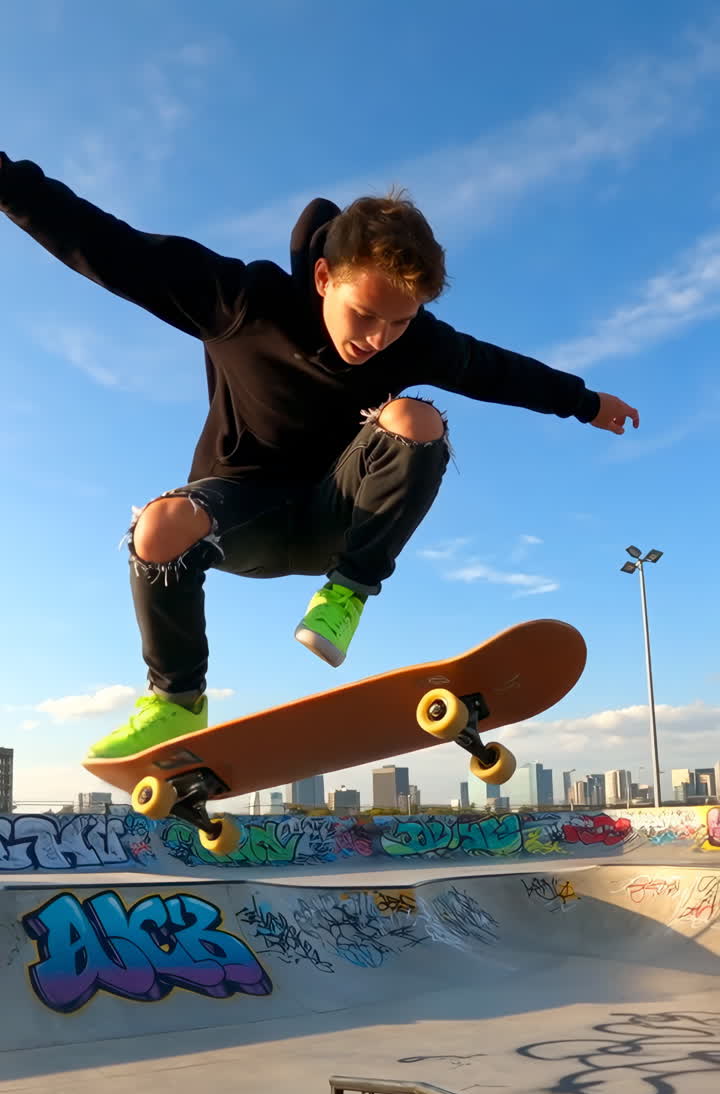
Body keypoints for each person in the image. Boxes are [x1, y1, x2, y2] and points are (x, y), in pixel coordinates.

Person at [0, 154, 639, 760]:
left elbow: (498, 371)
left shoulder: (414, 341)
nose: (377, 339)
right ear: (324, 277)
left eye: (398, 323)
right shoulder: (240, 300)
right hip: (240, 515)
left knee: (415, 418)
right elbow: (108, 244)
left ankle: (349, 594)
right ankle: (176, 700)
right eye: (365, 316)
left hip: (338, 520)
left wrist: (584, 403)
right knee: (158, 525)